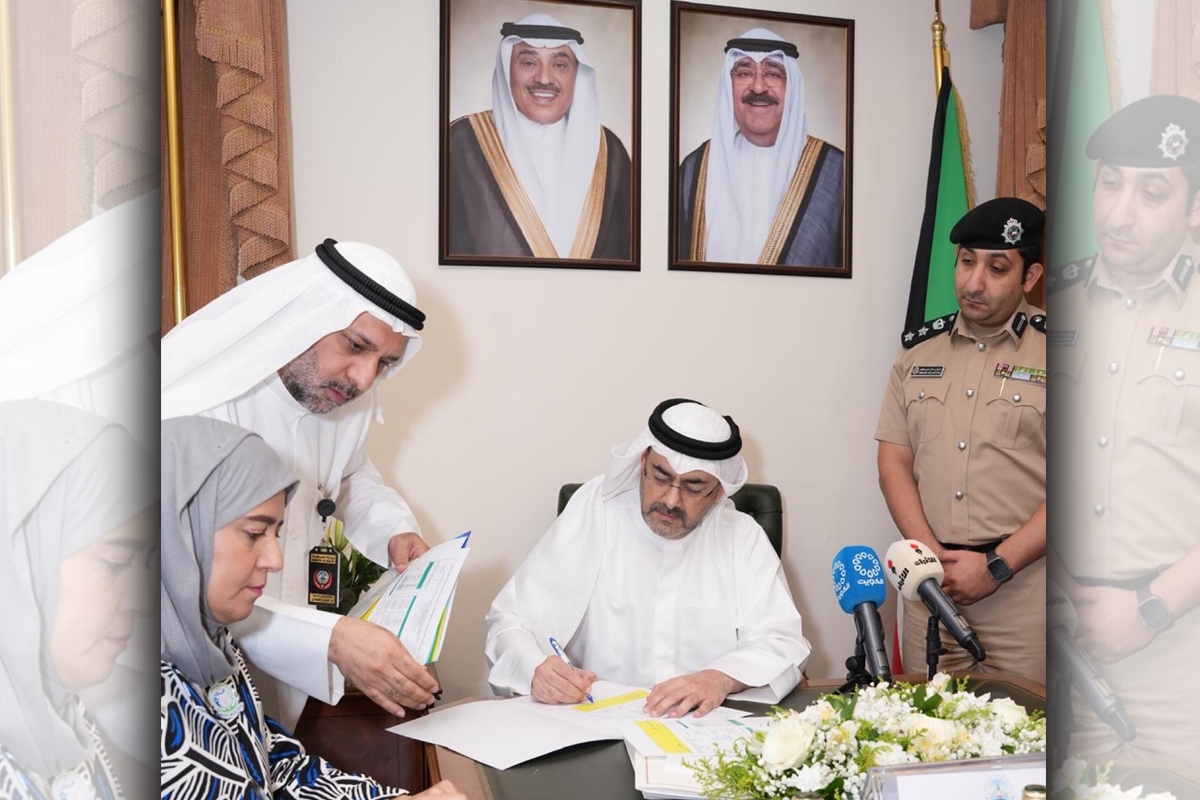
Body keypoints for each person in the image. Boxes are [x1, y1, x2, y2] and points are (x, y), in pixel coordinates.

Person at [161, 238, 439, 730]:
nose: (363, 379)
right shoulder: (201, 406)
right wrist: (331, 639)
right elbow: (185, 583)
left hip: (295, 644)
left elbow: (348, 475)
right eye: (355, 346)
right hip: (190, 682)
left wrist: (394, 529)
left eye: (384, 363)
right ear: (306, 316)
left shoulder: (343, 395)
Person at [159, 416, 465, 800]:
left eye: (276, 534)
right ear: (179, 530)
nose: (275, 559)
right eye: (253, 533)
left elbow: (276, 764)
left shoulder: (213, 642)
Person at [485, 398, 811, 717]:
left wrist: (719, 678)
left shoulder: (741, 536)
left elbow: (782, 642)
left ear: (719, 491)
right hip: (598, 722)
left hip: (704, 728)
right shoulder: (595, 512)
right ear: (642, 462)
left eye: (693, 487)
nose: (671, 500)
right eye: (661, 476)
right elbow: (509, 621)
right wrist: (537, 670)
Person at [1048, 94, 1200, 764]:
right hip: (1066, 644)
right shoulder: (1055, 306)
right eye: (1109, 184)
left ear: (1195, 208)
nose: (1119, 213)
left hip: (1179, 651)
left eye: (1152, 192)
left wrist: (1150, 609)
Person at [875, 197, 1047, 683]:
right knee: (923, 723)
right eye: (967, 262)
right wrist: (930, 563)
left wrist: (996, 566)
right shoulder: (917, 353)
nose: (974, 283)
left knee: (1025, 726)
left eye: (997, 268)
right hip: (929, 590)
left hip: (1022, 595)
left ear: (1030, 277)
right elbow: (894, 463)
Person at [0, 400, 155, 798]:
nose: (143, 602)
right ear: (16, 564)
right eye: (115, 563)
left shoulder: (62, 708)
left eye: (147, 564)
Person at [447, 12, 632, 260]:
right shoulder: (460, 143)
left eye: (559, 65)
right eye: (528, 63)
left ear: (577, 73)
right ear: (507, 69)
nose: (544, 79)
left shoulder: (609, 151)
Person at [678, 28, 843, 267]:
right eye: (744, 73)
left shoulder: (837, 173)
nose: (758, 87)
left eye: (773, 73)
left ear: (792, 86)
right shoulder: (693, 170)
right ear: (728, 84)